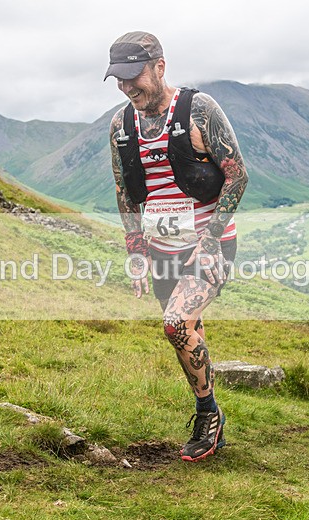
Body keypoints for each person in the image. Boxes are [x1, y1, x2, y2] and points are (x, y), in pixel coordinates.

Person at [105, 31, 248, 462]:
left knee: (175, 323)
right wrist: (135, 251)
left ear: (160, 68)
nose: (128, 88)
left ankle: (208, 414)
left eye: (135, 78)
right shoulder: (121, 125)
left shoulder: (200, 110)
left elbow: (237, 175)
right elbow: (125, 193)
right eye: (119, 80)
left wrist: (207, 242)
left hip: (211, 242)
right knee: (186, 331)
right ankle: (211, 413)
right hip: (161, 248)